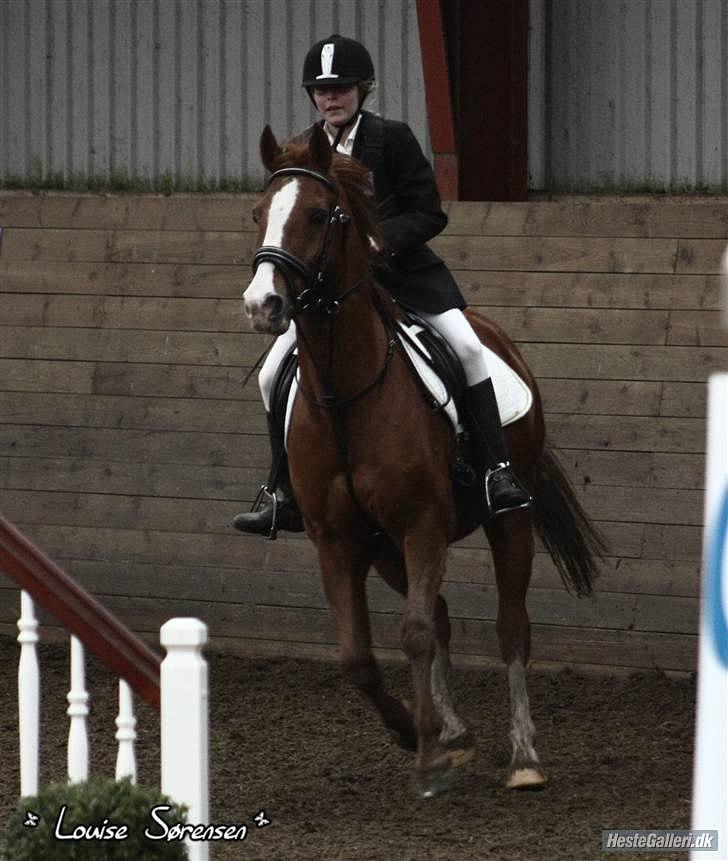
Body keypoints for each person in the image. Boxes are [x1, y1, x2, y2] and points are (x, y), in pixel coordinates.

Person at [233, 34, 531, 537]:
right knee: (269, 377)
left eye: (342, 88)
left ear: (362, 89)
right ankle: (280, 490)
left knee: (469, 349)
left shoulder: (391, 138)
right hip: (332, 294)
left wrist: (376, 243)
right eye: (322, 90)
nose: (331, 98)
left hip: (405, 279)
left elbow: (428, 212)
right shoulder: (302, 150)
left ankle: (496, 472)